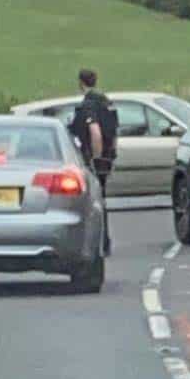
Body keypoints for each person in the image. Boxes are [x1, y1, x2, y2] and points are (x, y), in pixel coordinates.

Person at [69, 69, 116, 255]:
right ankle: (105, 242)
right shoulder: (106, 102)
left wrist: (95, 158)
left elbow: (94, 132)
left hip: (94, 159)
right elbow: (113, 131)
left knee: (93, 202)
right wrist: (109, 155)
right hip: (108, 157)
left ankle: (99, 242)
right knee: (102, 200)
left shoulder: (88, 105)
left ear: (81, 83)